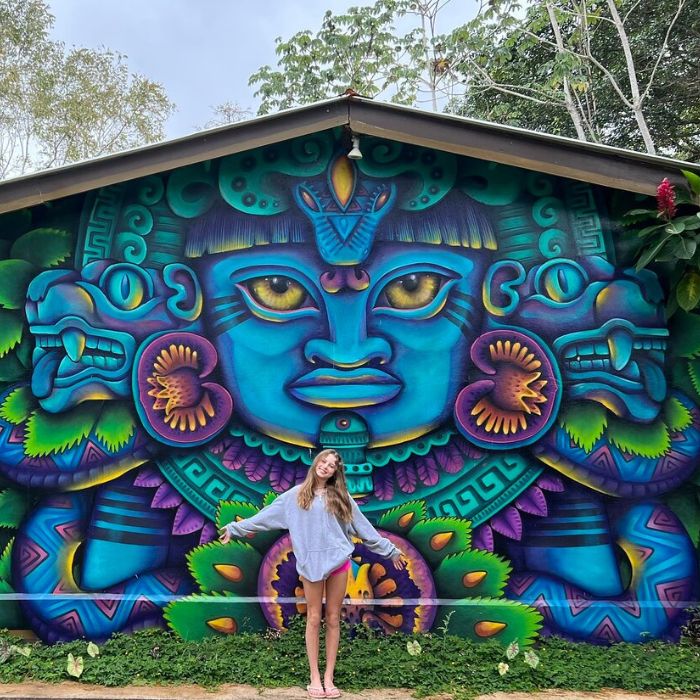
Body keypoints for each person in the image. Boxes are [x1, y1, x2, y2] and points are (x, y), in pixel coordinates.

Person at [219, 448, 406, 699]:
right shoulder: (294, 497)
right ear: (316, 462)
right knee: (314, 618)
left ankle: (329, 676)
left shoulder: (341, 498)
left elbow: (365, 529)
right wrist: (235, 528)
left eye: (332, 465)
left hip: (339, 563)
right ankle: (314, 677)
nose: (326, 466)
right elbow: (263, 519)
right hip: (310, 565)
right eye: (323, 461)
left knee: (333, 619)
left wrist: (391, 551)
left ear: (335, 472)